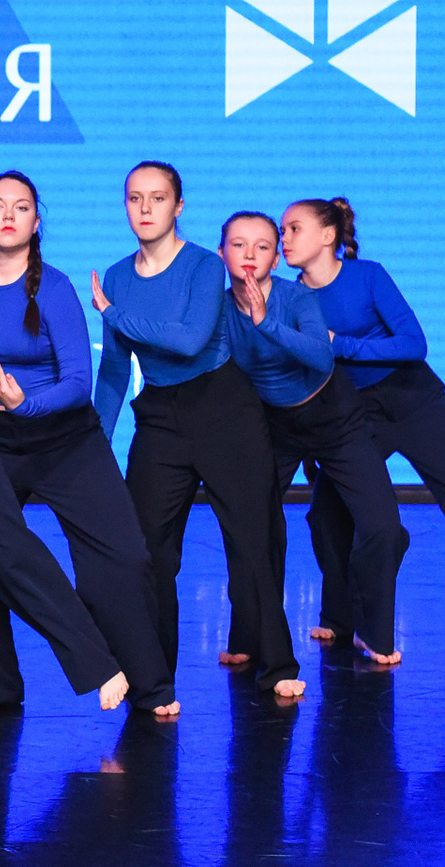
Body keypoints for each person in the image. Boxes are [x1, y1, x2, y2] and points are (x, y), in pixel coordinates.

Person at [0, 169, 173, 716]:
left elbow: (79, 382)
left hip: (65, 437)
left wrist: (25, 405)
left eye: (21, 207)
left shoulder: (53, 287)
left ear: (36, 222)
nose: (8, 215)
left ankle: (150, 686)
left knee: (122, 559)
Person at [91, 161, 304, 699]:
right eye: (135, 198)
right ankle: (153, 679)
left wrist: (113, 315)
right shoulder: (115, 277)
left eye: (158, 198)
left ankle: (278, 665)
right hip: (160, 418)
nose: (145, 208)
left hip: (224, 409)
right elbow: (114, 369)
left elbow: (188, 340)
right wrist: (93, 441)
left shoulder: (205, 265)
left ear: (178, 206)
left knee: (253, 540)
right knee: (149, 552)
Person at [281, 198, 445, 642]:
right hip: (350, 414)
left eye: (294, 229)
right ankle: (339, 618)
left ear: (328, 235)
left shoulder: (368, 276)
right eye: (282, 230)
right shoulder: (291, 298)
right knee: (326, 514)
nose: (284, 239)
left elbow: (414, 343)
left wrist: (344, 345)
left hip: (414, 399)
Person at [220, 211, 407, 665]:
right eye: (238, 245)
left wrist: (266, 323)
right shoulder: (220, 308)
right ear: (222, 253)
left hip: (334, 416)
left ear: (275, 259)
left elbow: (321, 357)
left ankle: (371, 630)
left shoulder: (296, 298)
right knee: (254, 527)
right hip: (273, 425)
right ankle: (247, 636)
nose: (250, 254)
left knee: (383, 526)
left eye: (263, 246)